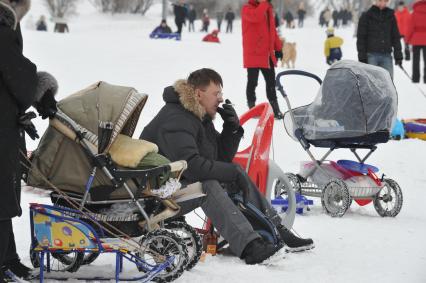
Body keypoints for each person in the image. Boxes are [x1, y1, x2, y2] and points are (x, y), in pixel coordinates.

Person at [140, 68, 314, 265]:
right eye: (216, 93)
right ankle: (250, 247)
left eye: (221, 93)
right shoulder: (177, 118)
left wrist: (231, 128)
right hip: (154, 199)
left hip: (173, 186)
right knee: (208, 186)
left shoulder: (197, 116)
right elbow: (193, 166)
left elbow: (219, 158)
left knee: (230, 173)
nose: (221, 99)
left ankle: (278, 230)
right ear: (198, 93)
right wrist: (232, 172)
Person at [0, 0, 58, 281]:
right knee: (1, 199)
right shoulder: (2, 31)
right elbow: (19, 77)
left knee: (4, 199)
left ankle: (8, 259)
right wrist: (41, 91)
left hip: (6, 125)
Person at [241, 0, 284, 119]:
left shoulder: (267, 9)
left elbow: (272, 31)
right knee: (252, 82)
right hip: (253, 54)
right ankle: (252, 108)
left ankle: (276, 109)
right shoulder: (247, 9)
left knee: (271, 82)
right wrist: (265, 4)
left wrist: (278, 48)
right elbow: (256, 17)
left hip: (267, 54)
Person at [357, 0, 402, 79]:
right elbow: (361, 38)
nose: (382, 3)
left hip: (387, 56)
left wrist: (398, 55)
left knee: (388, 84)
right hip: (371, 56)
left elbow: (395, 36)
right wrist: (362, 56)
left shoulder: (391, 16)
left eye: (385, 1)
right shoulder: (366, 16)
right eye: (380, 0)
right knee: (371, 84)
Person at [405, 0, 426, 83]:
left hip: (416, 39)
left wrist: (407, 40)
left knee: (415, 60)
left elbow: (410, 28)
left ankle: (415, 78)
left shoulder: (414, 13)